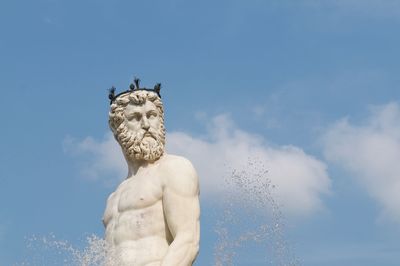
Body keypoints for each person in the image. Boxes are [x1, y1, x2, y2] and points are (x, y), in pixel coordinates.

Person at [103, 80, 200, 266]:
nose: (146, 124)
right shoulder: (114, 196)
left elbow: (188, 241)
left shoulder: (174, 168)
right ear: (117, 128)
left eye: (152, 115)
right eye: (136, 118)